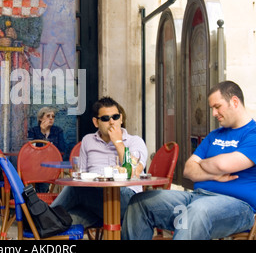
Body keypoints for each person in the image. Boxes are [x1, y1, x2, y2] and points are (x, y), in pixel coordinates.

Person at [122, 81, 256, 240]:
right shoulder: (214, 135)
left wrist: (204, 163)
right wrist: (213, 175)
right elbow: (189, 169)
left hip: (238, 208)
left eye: (217, 107)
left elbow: (223, 164)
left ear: (234, 101)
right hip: (197, 197)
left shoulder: (252, 134)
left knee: (196, 211)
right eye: (212, 108)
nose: (213, 113)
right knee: (140, 202)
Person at [50, 96, 148, 228]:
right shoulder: (88, 141)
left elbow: (134, 171)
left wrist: (118, 142)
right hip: (95, 203)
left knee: (75, 188)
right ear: (96, 122)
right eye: (106, 119)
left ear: (121, 118)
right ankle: (42, 223)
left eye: (115, 117)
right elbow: (82, 174)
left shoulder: (135, 141)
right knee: (59, 223)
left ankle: (42, 218)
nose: (112, 122)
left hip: (126, 201)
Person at [28, 107, 66, 192]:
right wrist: (42, 132)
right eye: (48, 116)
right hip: (36, 164)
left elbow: (62, 149)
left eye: (53, 116)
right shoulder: (33, 131)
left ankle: (43, 196)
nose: (51, 118)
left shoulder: (58, 131)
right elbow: (30, 150)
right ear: (41, 118)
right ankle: (41, 196)